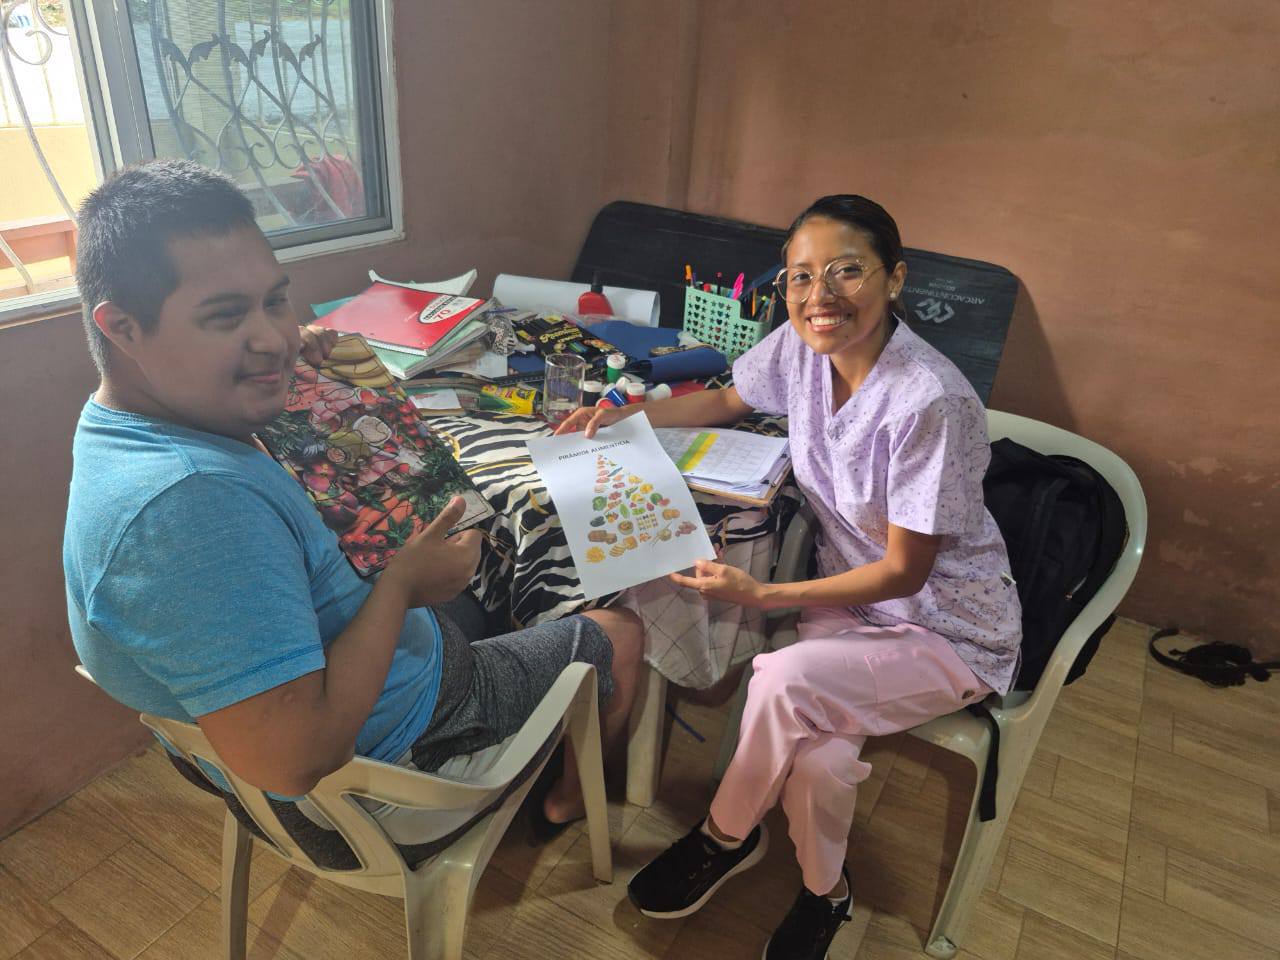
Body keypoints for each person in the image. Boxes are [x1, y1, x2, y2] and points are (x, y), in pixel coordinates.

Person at [63, 159, 643, 854]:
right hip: (378, 782)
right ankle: (566, 802)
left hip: (359, 681)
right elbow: (293, 763)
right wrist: (400, 589)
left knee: (489, 580)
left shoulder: (130, 425)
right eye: (225, 315)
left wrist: (294, 363)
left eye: (275, 302)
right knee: (619, 629)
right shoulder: (191, 508)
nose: (273, 338)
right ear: (123, 327)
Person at [556, 195, 1021, 959]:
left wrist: (762, 595)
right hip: (846, 599)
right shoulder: (803, 347)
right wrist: (625, 420)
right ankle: (826, 892)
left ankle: (724, 836)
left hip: (945, 626)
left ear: (895, 277)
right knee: (822, 761)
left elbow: (905, 571)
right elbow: (728, 398)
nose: (819, 295)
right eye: (801, 277)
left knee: (779, 678)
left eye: (846, 271)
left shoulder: (927, 400)